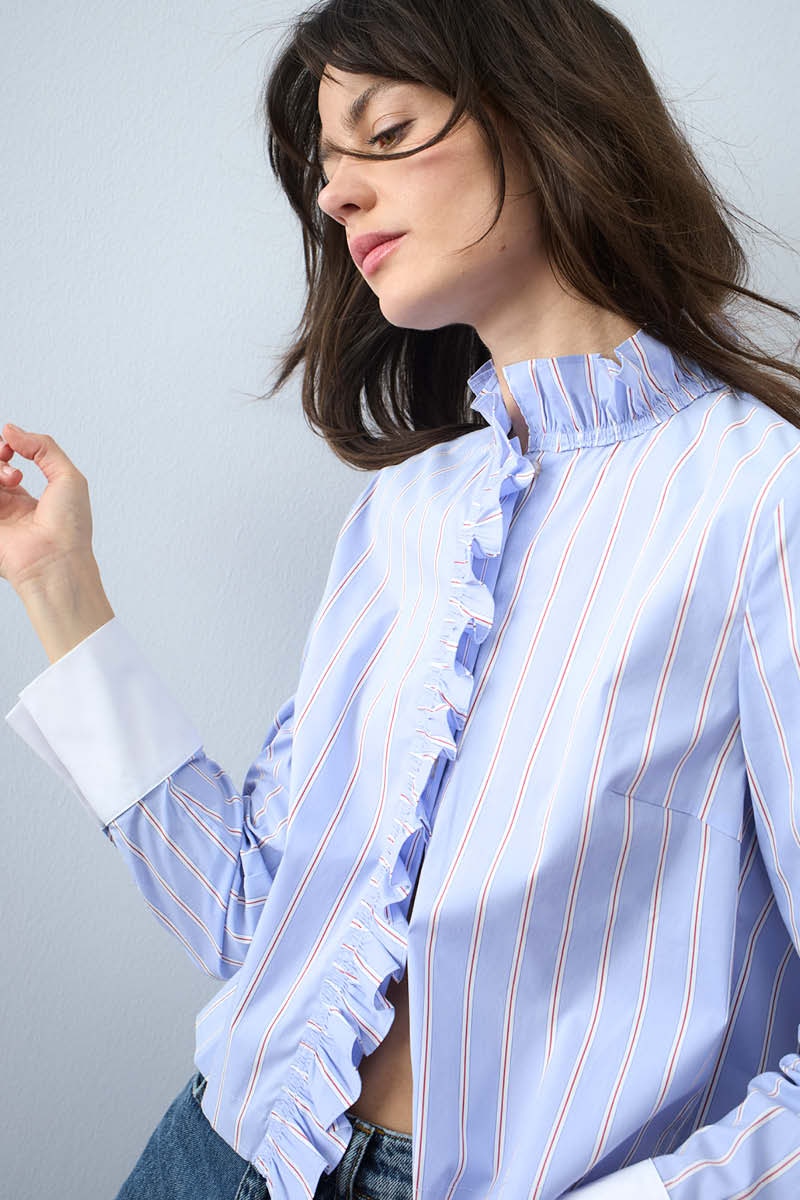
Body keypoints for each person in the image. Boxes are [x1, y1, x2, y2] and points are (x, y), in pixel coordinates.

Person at [2, 0, 800, 1196]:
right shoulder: (403, 514)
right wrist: (59, 583)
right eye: (326, 168)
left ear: (544, 118)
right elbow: (253, 917)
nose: (335, 197)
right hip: (224, 1149)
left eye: (385, 134)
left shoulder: (760, 503)